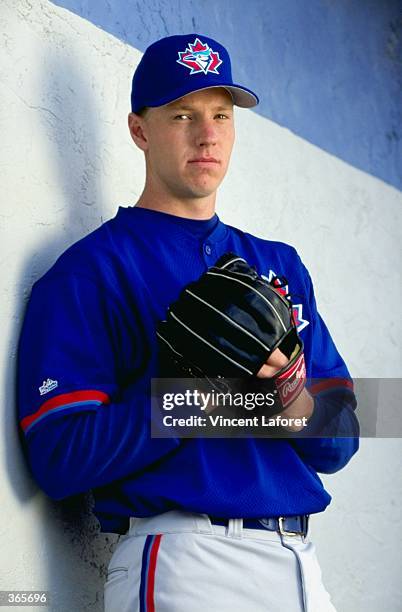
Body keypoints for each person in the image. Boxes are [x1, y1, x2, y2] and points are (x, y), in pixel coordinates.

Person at [17, 33, 359, 612]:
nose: (208, 135)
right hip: (183, 559)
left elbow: (343, 436)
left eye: (221, 115)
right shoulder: (90, 272)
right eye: (183, 114)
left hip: (298, 562)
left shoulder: (279, 265)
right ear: (139, 130)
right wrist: (189, 397)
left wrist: (290, 396)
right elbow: (59, 457)